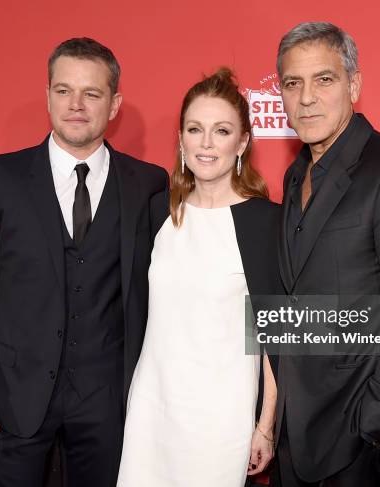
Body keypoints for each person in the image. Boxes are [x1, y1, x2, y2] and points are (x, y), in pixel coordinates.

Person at [0, 37, 168, 486]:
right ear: (47, 96)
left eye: (92, 93)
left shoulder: (149, 184)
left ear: (115, 103)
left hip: (110, 406)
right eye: (63, 90)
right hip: (10, 397)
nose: (76, 105)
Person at [273, 22, 380, 487]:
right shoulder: (295, 179)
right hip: (297, 436)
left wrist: (376, 424)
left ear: (353, 84)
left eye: (323, 79)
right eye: (293, 83)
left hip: (364, 447)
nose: (306, 97)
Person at [116, 68, 280, 487]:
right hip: (152, 410)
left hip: (221, 420)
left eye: (221, 130)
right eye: (195, 129)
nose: (206, 144)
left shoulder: (265, 222)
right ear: (181, 139)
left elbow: (273, 335)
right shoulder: (158, 212)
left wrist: (265, 424)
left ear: (242, 141)